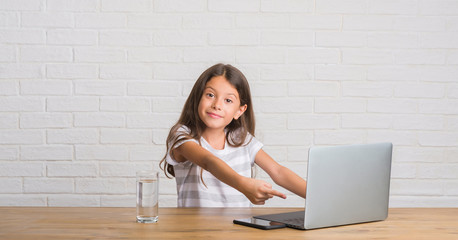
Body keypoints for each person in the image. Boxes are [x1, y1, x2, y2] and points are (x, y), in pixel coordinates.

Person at [160, 63, 307, 207]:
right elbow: (208, 161)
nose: (217, 105)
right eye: (210, 95)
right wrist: (243, 184)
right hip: (196, 230)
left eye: (228, 100)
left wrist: (320, 197)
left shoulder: (241, 138)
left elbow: (278, 171)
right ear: (198, 97)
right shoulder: (181, 135)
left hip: (238, 230)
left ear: (240, 111)